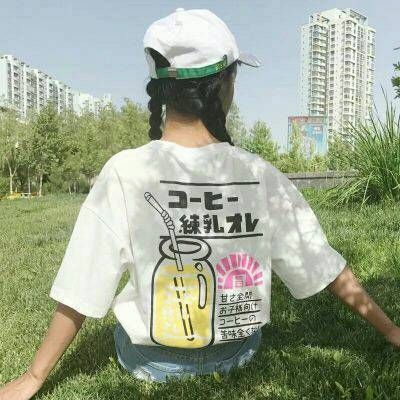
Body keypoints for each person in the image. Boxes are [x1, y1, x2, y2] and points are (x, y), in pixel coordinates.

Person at [1, 7, 399, 399]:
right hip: (236, 353)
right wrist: (392, 330)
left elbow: (82, 282)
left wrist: (34, 376)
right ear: (225, 85)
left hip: (149, 361)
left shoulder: (124, 171)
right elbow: (323, 263)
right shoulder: (259, 174)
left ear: (161, 90)